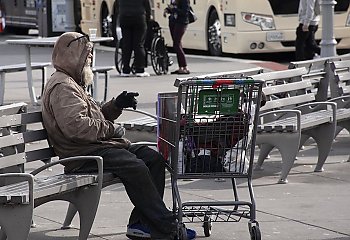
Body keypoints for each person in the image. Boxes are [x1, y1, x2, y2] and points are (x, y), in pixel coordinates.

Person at [41, 32, 196, 240]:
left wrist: (115, 106)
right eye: (87, 56)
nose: (90, 60)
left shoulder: (72, 82)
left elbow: (91, 118)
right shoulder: (63, 87)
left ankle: (141, 223)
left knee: (153, 159)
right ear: (72, 56)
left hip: (97, 146)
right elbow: (77, 128)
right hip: (82, 154)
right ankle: (168, 227)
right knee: (135, 166)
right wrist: (112, 129)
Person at [118, 0, 151, 77]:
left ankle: (125, 69)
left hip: (124, 17)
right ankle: (139, 69)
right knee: (139, 44)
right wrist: (148, 19)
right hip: (139, 17)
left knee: (126, 45)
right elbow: (147, 6)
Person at [164, 0, 190, 75]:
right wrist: (167, 10)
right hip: (173, 21)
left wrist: (173, 9)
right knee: (176, 44)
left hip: (181, 22)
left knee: (176, 43)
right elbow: (172, 7)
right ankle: (181, 67)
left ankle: (185, 67)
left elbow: (185, 11)